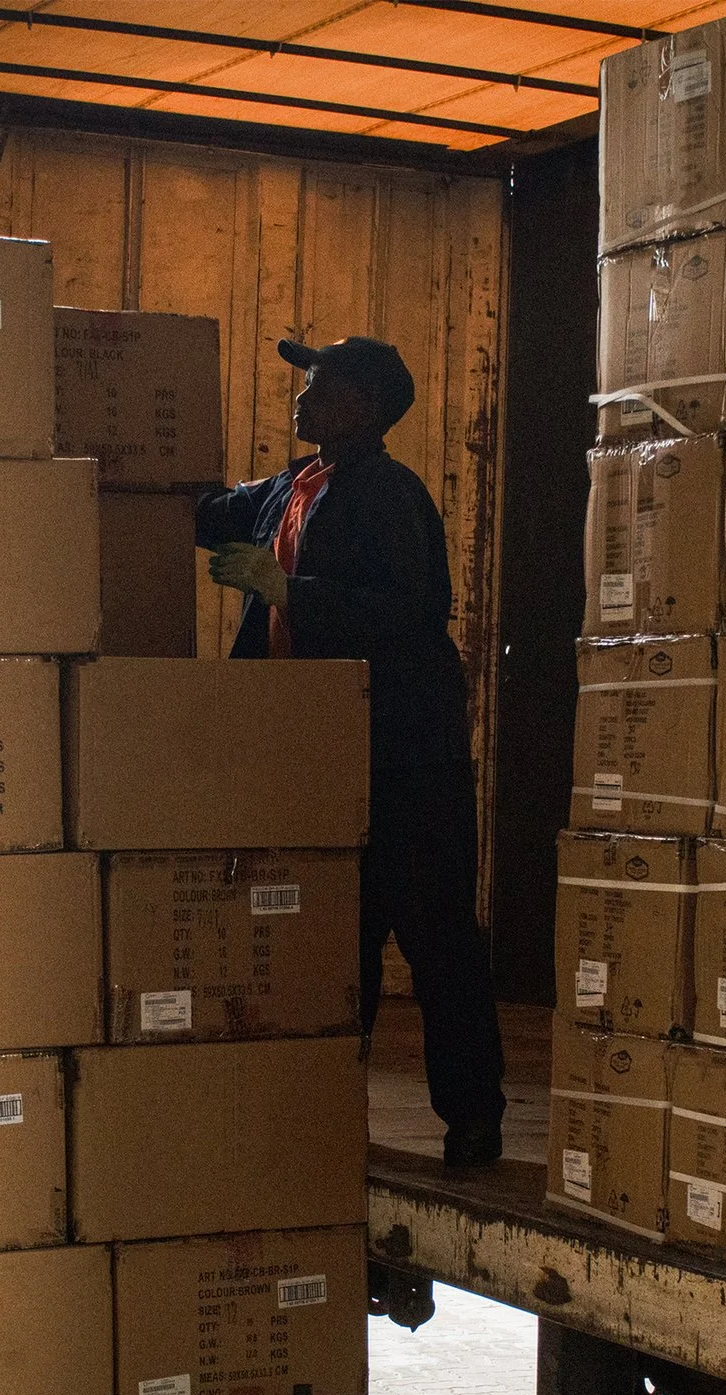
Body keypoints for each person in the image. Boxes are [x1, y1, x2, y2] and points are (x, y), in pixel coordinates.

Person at [199, 336, 508, 1168]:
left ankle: (473, 1120)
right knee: (343, 940)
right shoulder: (290, 489)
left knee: (435, 938)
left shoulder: (389, 494)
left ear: (365, 404)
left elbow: (415, 612)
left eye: (321, 381)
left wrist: (285, 591)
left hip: (405, 756)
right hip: (321, 754)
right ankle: (335, 1113)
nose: (304, 393)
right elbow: (198, 508)